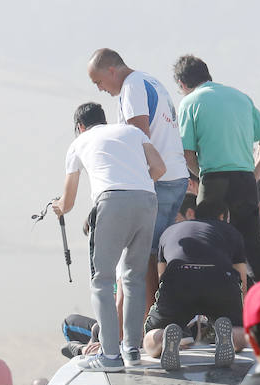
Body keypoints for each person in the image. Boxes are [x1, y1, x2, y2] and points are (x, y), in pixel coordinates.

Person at [51, 102, 166, 370]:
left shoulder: (78, 143)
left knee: (102, 281)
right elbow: (159, 168)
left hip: (111, 202)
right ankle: (132, 350)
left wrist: (58, 207)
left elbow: (67, 202)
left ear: (80, 127)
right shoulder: (132, 132)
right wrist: (135, 182)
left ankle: (110, 355)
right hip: (147, 199)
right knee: (134, 278)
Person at [86, 48, 190, 300]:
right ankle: (160, 313)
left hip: (157, 179)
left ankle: (150, 318)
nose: (99, 88)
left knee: (143, 256)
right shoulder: (148, 80)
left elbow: (138, 139)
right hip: (175, 175)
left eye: (99, 81)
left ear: (112, 70)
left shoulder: (132, 87)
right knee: (157, 253)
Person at [173, 55, 260, 280]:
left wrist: (201, 174)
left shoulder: (189, 102)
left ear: (182, 84)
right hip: (245, 179)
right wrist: (254, 175)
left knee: (209, 243)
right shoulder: (242, 98)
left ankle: (215, 296)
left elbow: (186, 154)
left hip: (213, 180)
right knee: (253, 244)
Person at [146, 208, 249, 370]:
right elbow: (242, 280)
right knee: (240, 332)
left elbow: (162, 278)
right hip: (220, 279)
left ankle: (162, 338)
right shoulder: (231, 231)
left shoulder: (169, 231)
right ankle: (229, 336)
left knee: (151, 336)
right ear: (222, 217)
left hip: (179, 278)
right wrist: (239, 314)